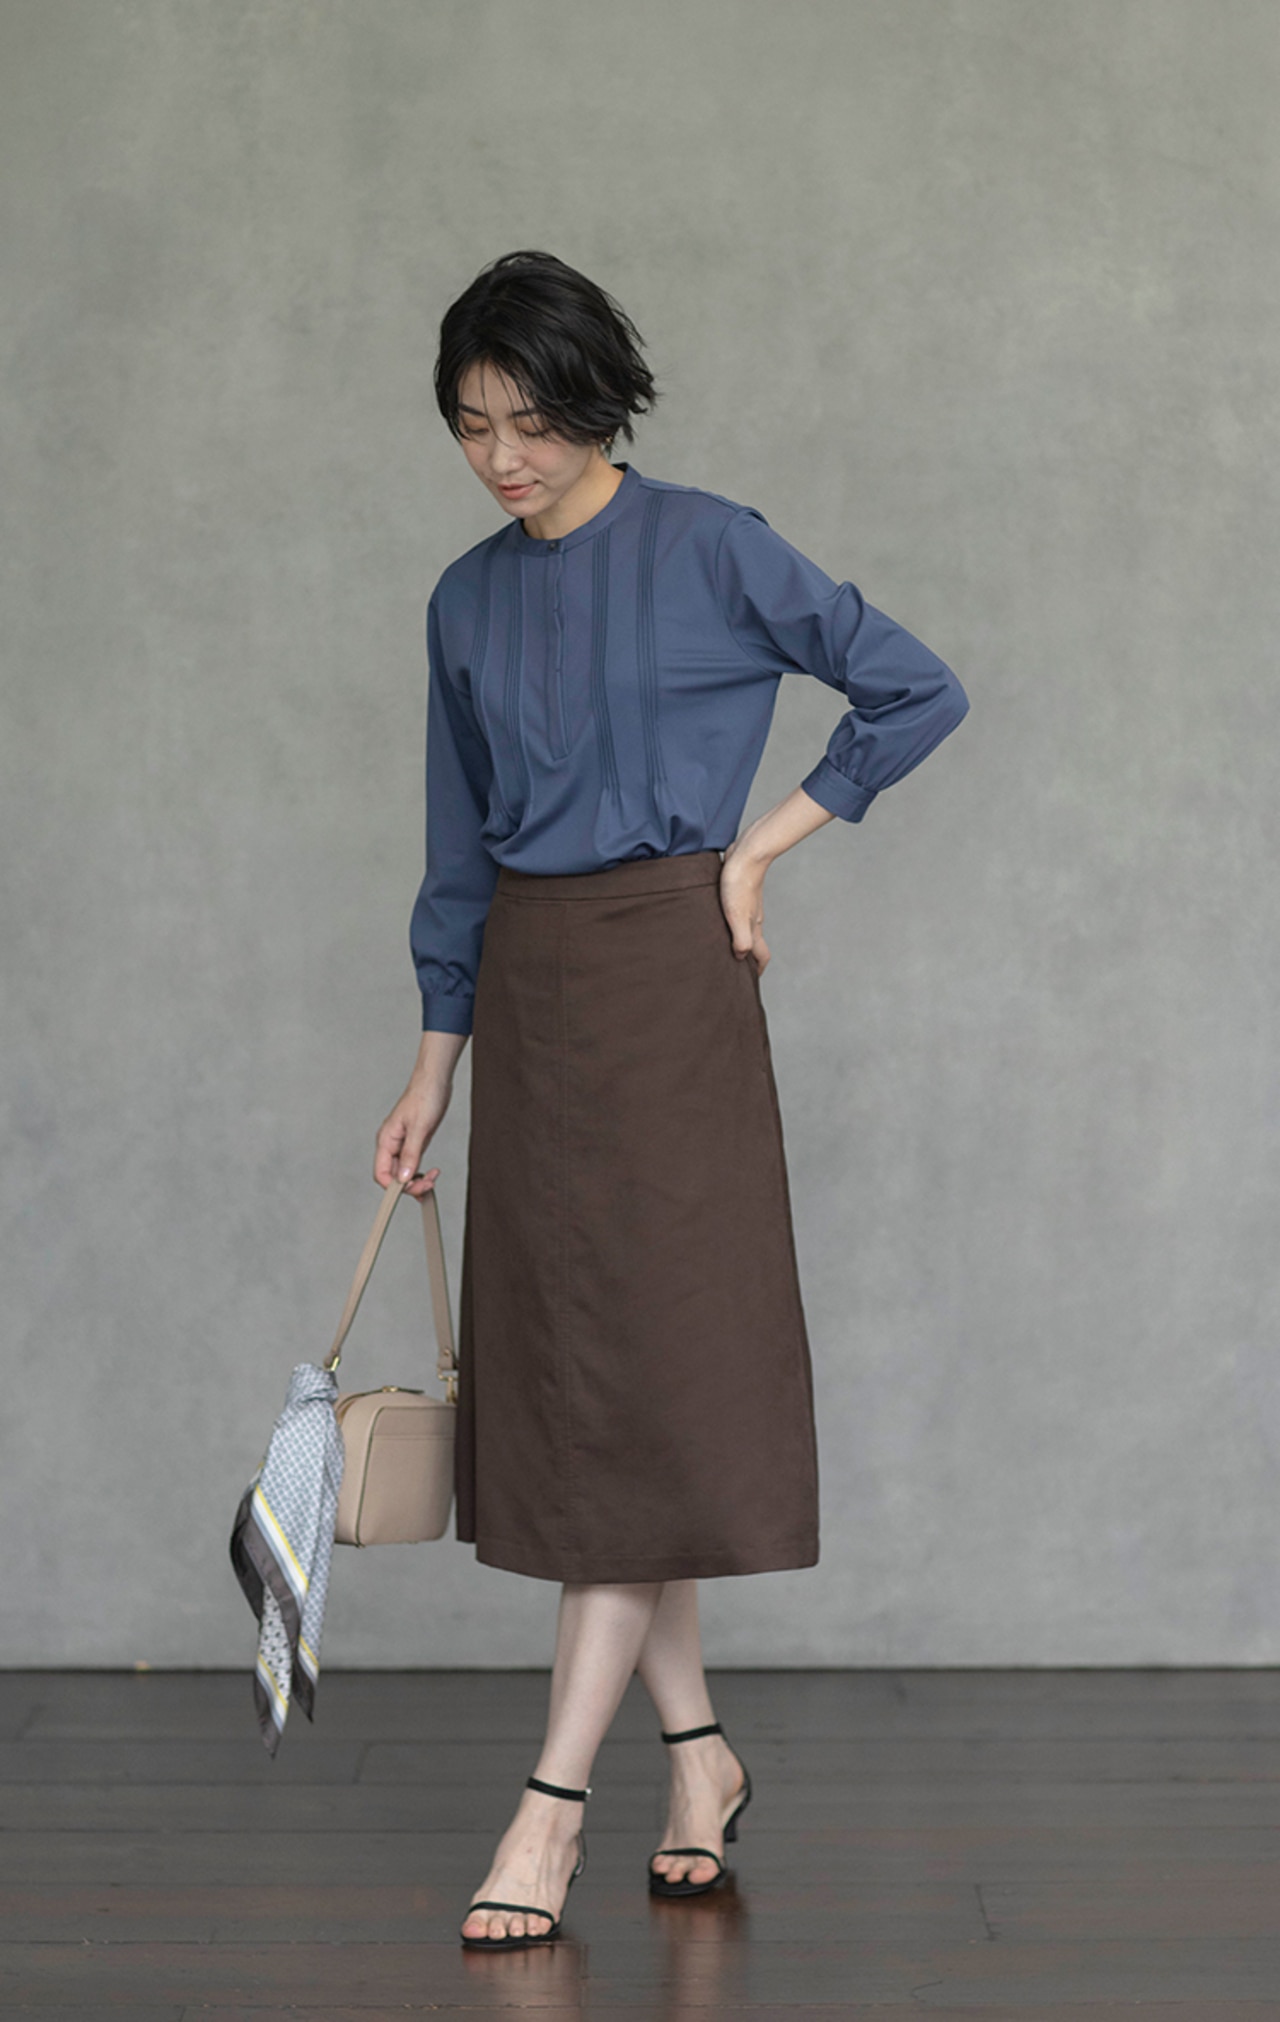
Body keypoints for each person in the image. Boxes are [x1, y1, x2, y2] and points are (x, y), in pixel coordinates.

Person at [374, 250, 969, 1950]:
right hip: (530, 997)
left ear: (599, 401)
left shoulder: (714, 545)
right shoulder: (463, 600)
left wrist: (762, 850)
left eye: (532, 419)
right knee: (595, 1401)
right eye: (471, 425)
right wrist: (430, 1072)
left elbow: (914, 684)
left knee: (644, 1387)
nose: (502, 456)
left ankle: (550, 1803)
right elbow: (456, 855)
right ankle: (699, 1756)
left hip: (671, 988)